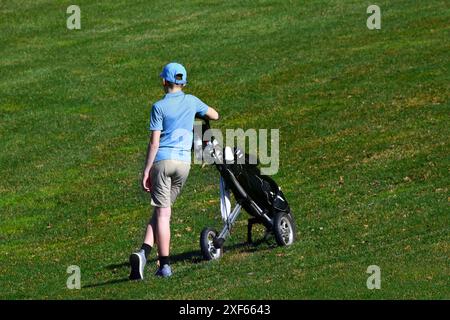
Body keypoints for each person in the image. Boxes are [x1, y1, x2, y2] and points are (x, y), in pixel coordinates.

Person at [129, 62, 219, 280]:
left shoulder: (158, 107)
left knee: (163, 214)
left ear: (164, 81)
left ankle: (165, 266)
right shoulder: (191, 101)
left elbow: (154, 143)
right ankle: (144, 253)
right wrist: (196, 114)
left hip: (162, 162)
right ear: (184, 82)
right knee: (161, 210)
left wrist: (146, 170)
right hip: (183, 165)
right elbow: (214, 115)